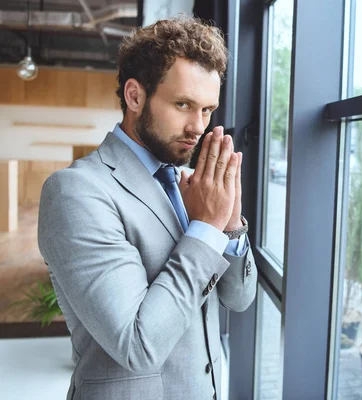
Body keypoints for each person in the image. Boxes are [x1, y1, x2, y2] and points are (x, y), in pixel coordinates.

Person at [38, 15, 257, 400]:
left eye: (207, 110)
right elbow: (137, 346)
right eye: (183, 104)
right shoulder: (75, 193)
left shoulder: (193, 184)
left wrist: (230, 223)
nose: (197, 126)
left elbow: (238, 299)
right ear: (135, 96)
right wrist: (205, 228)